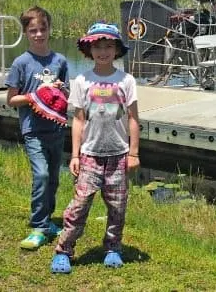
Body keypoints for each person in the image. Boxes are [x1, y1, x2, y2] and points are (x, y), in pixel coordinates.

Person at [51, 22, 140, 274]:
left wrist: (133, 153)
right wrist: (75, 155)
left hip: (119, 155)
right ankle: (64, 250)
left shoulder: (127, 80)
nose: (103, 51)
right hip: (90, 154)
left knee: (117, 206)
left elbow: (133, 118)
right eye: (98, 47)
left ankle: (113, 247)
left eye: (108, 46)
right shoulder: (82, 80)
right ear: (89, 50)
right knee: (78, 205)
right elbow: (78, 120)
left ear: (117, 49)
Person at [5, 5, 69, 250]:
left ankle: (48, 219)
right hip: (33, 130)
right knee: (41, 175)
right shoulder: (21, 63)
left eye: (43, 29)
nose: (39, 34)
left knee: (53, 178)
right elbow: (12, 99)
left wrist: (60, 90)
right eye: (33, 30)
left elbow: (66, 94)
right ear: (25, 33)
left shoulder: (60, 61)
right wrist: (35, 97)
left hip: (56, 129)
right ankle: (38, 226)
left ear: (50, 30)